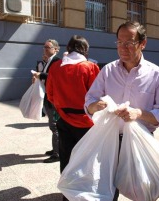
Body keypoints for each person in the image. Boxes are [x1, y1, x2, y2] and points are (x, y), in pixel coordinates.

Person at [84, 20, 159, 200]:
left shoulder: (157, 75)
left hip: (140, 142)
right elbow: (89, 101)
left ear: (143, 43)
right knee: (106, 191)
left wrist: (139, 113)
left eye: (129, 43)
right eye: (119, 42)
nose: (123, 48)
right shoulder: (108, 70)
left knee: (143, 192)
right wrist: (96, 106)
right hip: (109, 140)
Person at [47, 35, 100, 201]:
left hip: (64, 119)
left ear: (68, 48)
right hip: (87, 123)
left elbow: (50, 94)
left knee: (66, 158)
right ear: (85, 49)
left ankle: (67, 194)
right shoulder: (90, 67)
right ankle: (85, 194)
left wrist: (62, 108)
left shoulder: (56, 67)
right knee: (87, 161)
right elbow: (97, 96)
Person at [32, 39, 60, 163]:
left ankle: (57, 153)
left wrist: (41, 75)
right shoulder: (47, 61)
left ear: (55, 49)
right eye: (44, 47)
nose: (45, 49)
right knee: (52, 125)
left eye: (48, 47)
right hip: (48, 97)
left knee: (55, 126)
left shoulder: (57, 61)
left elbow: (55, 77)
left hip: (54, 98)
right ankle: (55, 148)